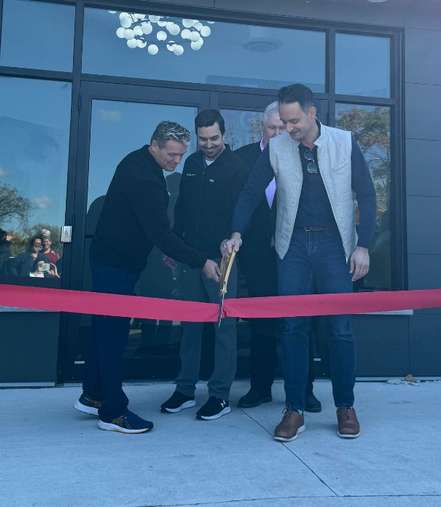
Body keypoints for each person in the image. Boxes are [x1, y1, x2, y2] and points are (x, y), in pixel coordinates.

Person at [223, 84, 376, 442]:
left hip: (335, 246)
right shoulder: (276, 147)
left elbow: (367, 194)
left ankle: (345, 406)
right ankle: (294, 409)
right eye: (284, 122)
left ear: (311, 113)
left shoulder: (344, 141)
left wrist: (364, 245)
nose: (288, 128)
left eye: (294, 121)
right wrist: (236, 231)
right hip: (292, 246)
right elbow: (250, 191)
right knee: (292, 328)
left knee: (340, 329)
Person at [79, 121, 220, 434]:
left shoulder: (136, 161)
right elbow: (160, 234)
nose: (175, 161)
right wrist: (202, 262)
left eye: (181, 155)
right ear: (154, 145)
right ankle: (112, 412)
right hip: (115, 265)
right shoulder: (144, 177)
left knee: (103, 331)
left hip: (110, 259)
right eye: (171, 154)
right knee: (114, 336)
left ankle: (93, 394)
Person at [159, 110, 248, 421]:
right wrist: (175, 246)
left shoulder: (237, 167)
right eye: (203, 139)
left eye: (214, 138)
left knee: (224, 328)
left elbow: (242, 212)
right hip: (191, 258)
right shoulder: (192, 163)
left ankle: (219, 395)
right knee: (190, 326)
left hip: (223, 259)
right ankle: (185, 390)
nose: (208, 145)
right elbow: (182, 207)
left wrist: (232, 240)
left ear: (224, 135)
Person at [235, 101, 322, 413]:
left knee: (301, 323)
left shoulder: (304, 154)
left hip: (298, 256)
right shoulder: (242, 159)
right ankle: (259, 388)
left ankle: (305, 390)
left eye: (282, 128)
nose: (277, 133)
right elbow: (237, 204)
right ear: (262, 127)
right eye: (272, 128)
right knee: (261, 324)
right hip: (258, 257)